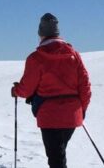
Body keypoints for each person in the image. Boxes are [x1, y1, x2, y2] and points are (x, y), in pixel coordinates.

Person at [11, 13, 91, 168]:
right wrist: (83, 109)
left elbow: (27, 89)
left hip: (49, 116)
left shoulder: (36, 58)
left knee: (56, 159)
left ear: (41, 34)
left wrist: (16, 91)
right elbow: (85, 86)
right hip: (72, 115)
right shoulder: (74, 55)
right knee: (58, 155)